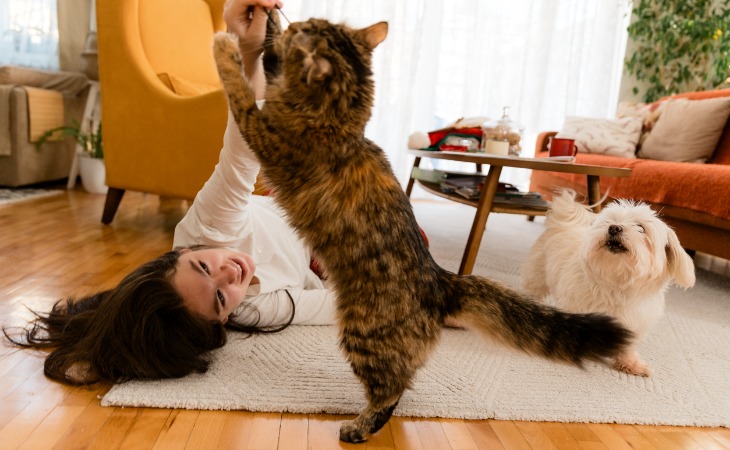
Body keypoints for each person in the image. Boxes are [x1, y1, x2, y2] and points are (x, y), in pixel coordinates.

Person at [3, 0, 337, 386]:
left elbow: (243, 150)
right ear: (222, 321)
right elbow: (341, 305)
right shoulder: (258, 310)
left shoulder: (211, 226)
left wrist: (246, 45)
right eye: (220, 299)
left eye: (203, 267)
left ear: (183, 252)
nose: (232, 272)